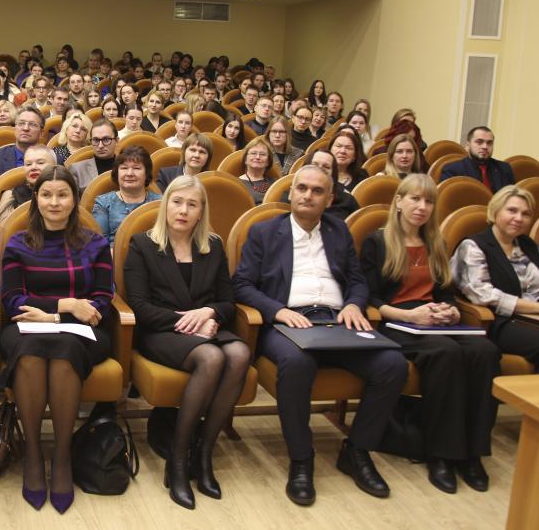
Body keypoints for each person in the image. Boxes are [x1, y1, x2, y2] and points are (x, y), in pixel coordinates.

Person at [233, 165, 408, 506]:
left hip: (337, 321)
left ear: (329, 199)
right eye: (302, 188)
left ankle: (357, 451)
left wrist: (354, 304)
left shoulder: (338, 230)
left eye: (317, 191)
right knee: (297, 363)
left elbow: (357, 280)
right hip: (286, 323)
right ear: (291, 192)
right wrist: (277, 310)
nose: (307, 195)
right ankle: (302, 458)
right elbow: (241, 284)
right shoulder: (264, 231)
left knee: (392, 364)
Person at [360, 174, 499, 494]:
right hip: (397, 321)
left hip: (434, 319)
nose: (422, 207)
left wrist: (451, 309)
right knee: (446, 353)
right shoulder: (377, 242)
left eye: (429, 201)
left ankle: (473, 452)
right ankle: (442, 454)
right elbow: (371, 298)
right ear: (399, 201)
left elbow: (445, 292)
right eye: (415, 199)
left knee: (485, 351)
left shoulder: (437, 242)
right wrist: (409, 315)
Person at [124, 175, 251, 509]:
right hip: (161, 332)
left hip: (206, 325)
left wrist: (209, 312)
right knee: (212, 358)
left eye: (192, 204)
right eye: (177, 202)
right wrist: (191, 322)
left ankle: (204, 453)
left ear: (201, 211)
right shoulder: (142, 245)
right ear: (165, 205)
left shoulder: (213, 245)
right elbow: (140, 307)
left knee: (240, 352)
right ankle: (178, 460)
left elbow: (227, 300)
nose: (183, 210)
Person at [0, 165, 113, 514]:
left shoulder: (95, 244)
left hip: (83, 332)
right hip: (26, 327)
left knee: (64, 349)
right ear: (36, 198)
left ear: (75, 199)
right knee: (31, 351)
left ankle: (62, 456)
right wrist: (65, 306)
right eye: (46, 195)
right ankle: (34, 453)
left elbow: (101, 301)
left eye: (62, 195)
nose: (54, 202)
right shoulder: (18, 243)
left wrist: (54, 316)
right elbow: (13, 301)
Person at [453, 186, 539, 373]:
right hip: (499, 322)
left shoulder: (530, 246)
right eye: (512, 211)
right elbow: (482, 294)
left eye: (526, 214)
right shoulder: (473, 246)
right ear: (495, 211)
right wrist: (537, 307)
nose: (519, 218)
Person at [0, 106, 48, 211]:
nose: (25, 128)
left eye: (32, 124)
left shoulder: (54, 159)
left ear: (41, 133)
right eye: (21, 123)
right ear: (15, 129)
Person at [92, 146, 160, 245]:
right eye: (124, 168)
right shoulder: (103, 203)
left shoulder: (160, 203)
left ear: (146, 173)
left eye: (136, 168)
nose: (129, 173)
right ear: (117, 172)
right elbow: (99, 245)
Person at [0, 145, 56, 239]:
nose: (33, 167)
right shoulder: (11, 195)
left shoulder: (66, 193)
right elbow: (1, 235)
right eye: (28, 164)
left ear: (55, 166)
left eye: (40, 163)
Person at [439, 126, 515, 192]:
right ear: (468, 145)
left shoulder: (504, 168)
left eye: (489, 143)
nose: (485, 146)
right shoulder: (452, 170)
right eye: (479, 142)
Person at [68, 117, 118, 192]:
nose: (100, 146)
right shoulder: (77, 170)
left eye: (106, 139)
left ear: (117, 140)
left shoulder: (128, 168)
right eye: (96, 140)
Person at [238, 136, 275, 204]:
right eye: (253, 153)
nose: (257, 157)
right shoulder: (236, 184)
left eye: (262, 154)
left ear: (268, 161)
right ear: (245, 159)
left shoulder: (276, 184)